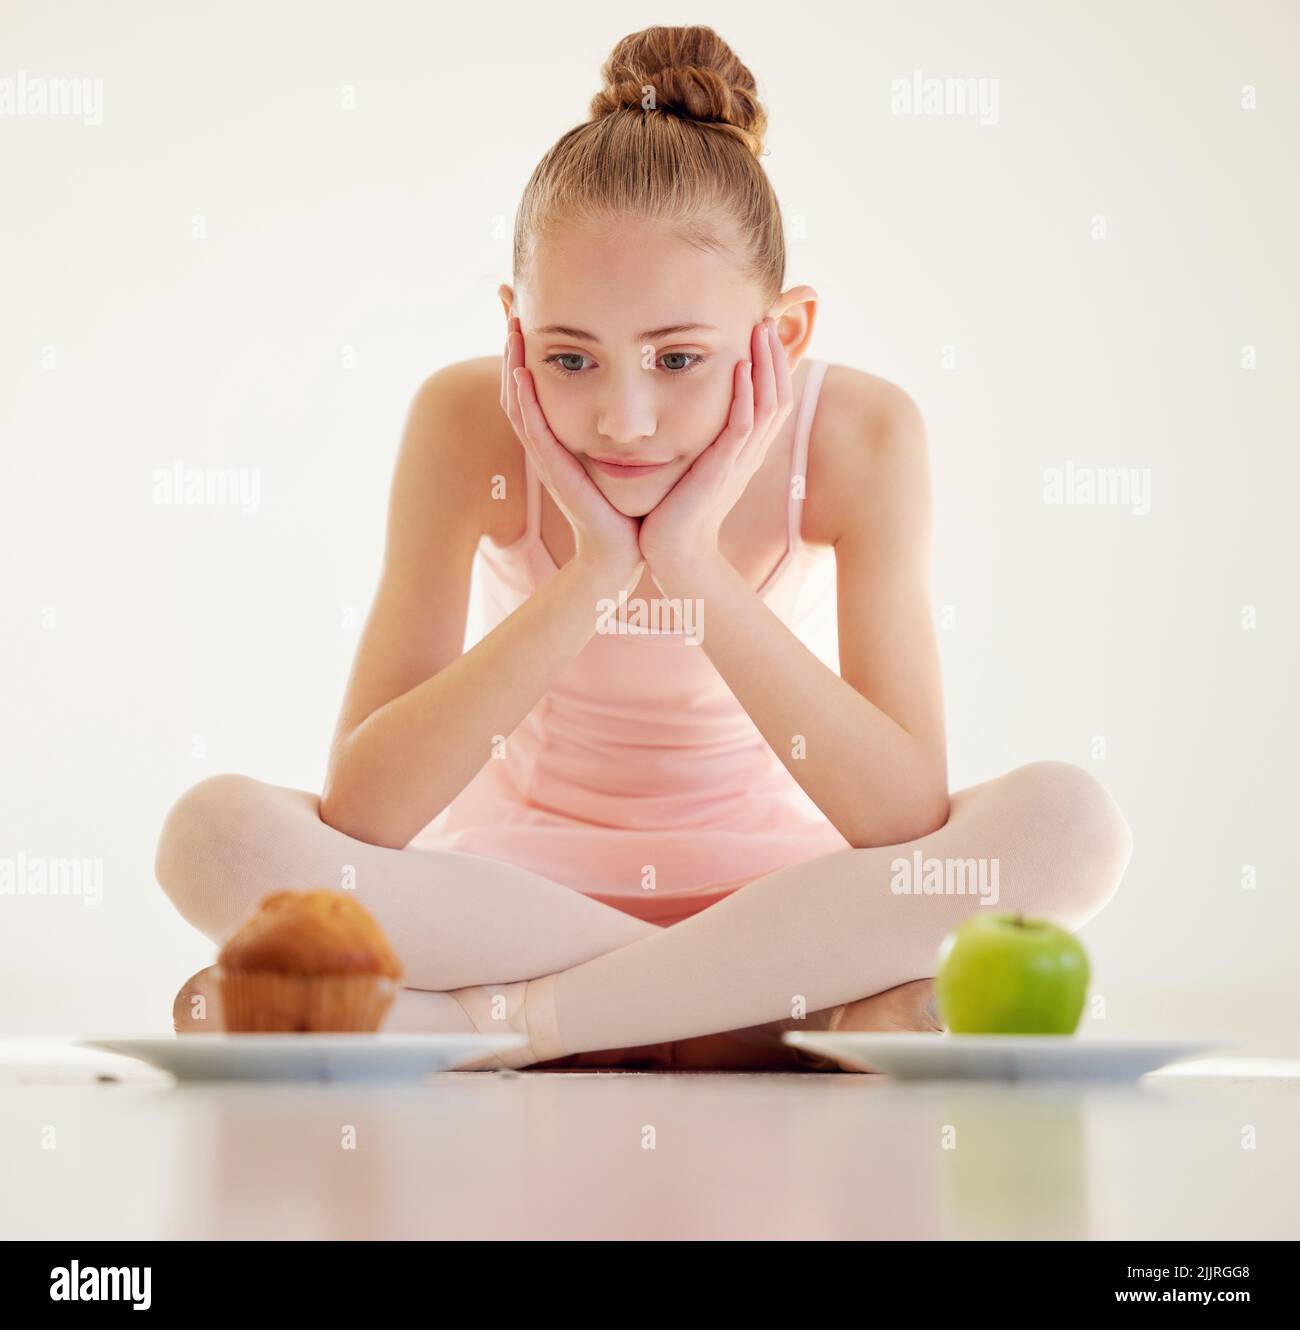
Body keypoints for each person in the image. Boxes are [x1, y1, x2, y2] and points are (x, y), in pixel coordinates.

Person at [155, 25, 1132, 1071]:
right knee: (215, 837)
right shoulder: (463, 421)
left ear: (782, 337)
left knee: (1069, 825)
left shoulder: (860, 435)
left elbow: (900, 817)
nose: (622, 418)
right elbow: (369, 810)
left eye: (677, 357)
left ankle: (512, 1027)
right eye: (568, 356)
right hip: (510, 899)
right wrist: (596, 571)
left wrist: (693, 565)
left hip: (785, 893)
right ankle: (755, 1017)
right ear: (512, 327)